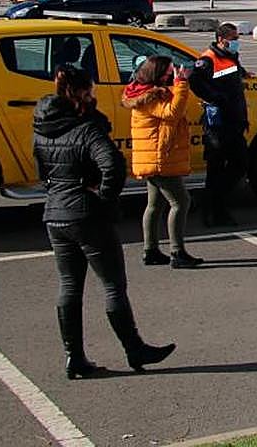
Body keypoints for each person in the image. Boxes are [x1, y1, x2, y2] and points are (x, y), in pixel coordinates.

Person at [34, 65, 175, 378]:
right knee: (112, 285)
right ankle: (134, 348)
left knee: (69, 285)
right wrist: (104, 198)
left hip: (55, 213)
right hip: (87, 214)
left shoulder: (43, 128)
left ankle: (74, 356)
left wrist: (59, 190)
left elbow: (42, 171)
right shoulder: (87, 129)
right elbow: (113, 164)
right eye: (92, 91)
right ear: (82, 93)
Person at [122, 55, 204, 269]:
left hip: (154, 155)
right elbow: (173, 112)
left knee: (155, 204)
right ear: (156, 74)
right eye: (168, 73)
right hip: (159, 157)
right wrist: (181, 83)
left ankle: (151, 250)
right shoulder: (150, 96)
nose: (170, 76)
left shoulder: (141, 91)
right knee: (181, 202)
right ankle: (177, 252)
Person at [189, 22, 254, 227]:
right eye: (233, 39)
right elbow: (195, 82)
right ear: (221, 39)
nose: (236, 42)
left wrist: (243, 73)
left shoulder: (230, 57)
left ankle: (214, 204)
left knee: (240, 164)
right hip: (218, 125)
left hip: (234, 121)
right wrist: (217, 98)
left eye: (237, 38)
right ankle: (213, 210)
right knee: (217, 168)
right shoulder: (208, 60)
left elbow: (231, 73)